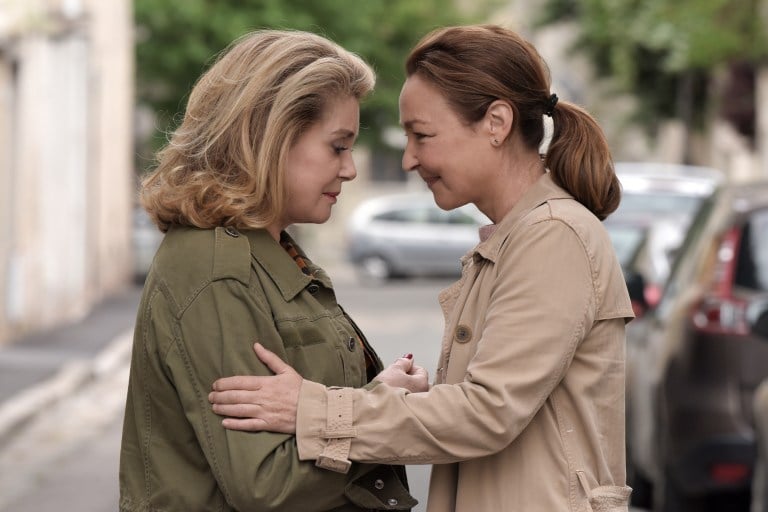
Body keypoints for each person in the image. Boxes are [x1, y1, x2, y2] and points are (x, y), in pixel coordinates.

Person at [208, 24, 635, 511]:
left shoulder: (554, 236)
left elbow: (485, 413)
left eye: (422, 135)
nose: (410, 159)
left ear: (497, 123)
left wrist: (312, 410)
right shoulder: (519, 236)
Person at [119, 29, 418, 512]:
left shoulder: (269, 252)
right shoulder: (218, 270)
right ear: (271, 138)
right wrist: (382, 411)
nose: (350, 170)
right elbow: (266, 483)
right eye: (337, 147)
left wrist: (366, 404)